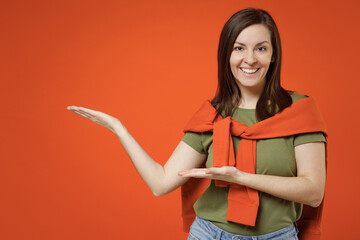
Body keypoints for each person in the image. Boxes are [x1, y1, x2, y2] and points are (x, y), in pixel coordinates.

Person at [67, 8, 327, 240]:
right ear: (227, 55)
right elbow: (161, 183)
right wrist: (119, 129)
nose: (250, 59)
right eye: (239, 48)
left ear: (273, 56)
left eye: (261, 48)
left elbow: (314, 191)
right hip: (209, 234)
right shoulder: (211, 116)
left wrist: (240, 177)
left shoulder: (298, 111)